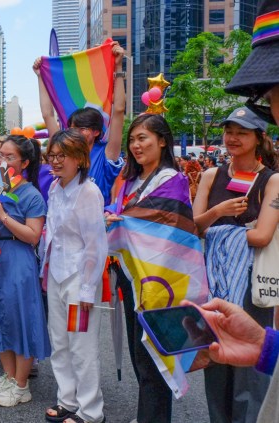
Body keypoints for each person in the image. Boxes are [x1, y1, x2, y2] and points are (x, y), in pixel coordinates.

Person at [192, 107, 278, 423]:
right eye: (230, 131)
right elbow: (194, 227)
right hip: (213, 284)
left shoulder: (272, 181)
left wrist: (218, 228)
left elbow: (263, 236)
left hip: (251, 285)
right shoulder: (211, 175)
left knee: (250, 373)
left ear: (259, 138)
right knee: (216, 361)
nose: (233, 138)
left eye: (242, 132)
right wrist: (220, 213)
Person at [105, 114, 183, 423]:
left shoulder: (171, 180)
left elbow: (169, 228)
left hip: (159, 279)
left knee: (154, 357)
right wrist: (110, 216)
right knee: (141, 354)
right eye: (133, 139)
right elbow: (119, 212)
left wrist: (124, 219)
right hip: (131, 276)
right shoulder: (131, 181)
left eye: (143, 138)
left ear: (162, 141)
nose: (136, 145)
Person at [0, 135, 51, 407]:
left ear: (25, 162)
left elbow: (33, 236)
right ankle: (8, 375)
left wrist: (4, 216)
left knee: (21, 319)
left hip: (18, 259)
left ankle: (21, 384)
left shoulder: (32, 194)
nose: (1, 160)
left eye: (9, 156)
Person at [43, 129, 108, 423]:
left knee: (81, 345)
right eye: (52, 156)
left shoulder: (89, 192)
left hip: (78, 279)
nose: (56, 162)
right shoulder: (55, 188)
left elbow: (95, 245)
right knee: (59, 342)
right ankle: (67, 400)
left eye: (62, 156)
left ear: (80, 158)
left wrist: (86, 289)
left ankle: (91, 411)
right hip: (56, 274)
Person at [33, 41, 126, 205]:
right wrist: (41, 76)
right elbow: (47, 114)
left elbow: (118, 111)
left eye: (81, 128)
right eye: (72, 128)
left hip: (95, 226)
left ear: (96, 131)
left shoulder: (106, 154)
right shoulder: (65, 149)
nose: (74, 132)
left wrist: (118, 68)